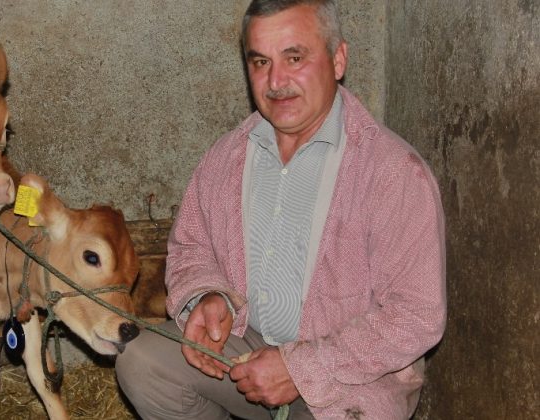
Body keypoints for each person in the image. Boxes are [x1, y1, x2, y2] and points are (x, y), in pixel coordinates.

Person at [115, 0, 446, 419]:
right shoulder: (227, 157)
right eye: (260, 62)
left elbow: (416, 316)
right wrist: (208, 295)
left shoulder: (392, 172)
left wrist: (301, 367)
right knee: (143, 362)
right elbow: (191, 246)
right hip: (245, 344)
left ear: (338, 58)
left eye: (294, 57)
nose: (276, 81)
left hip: (351, 374)